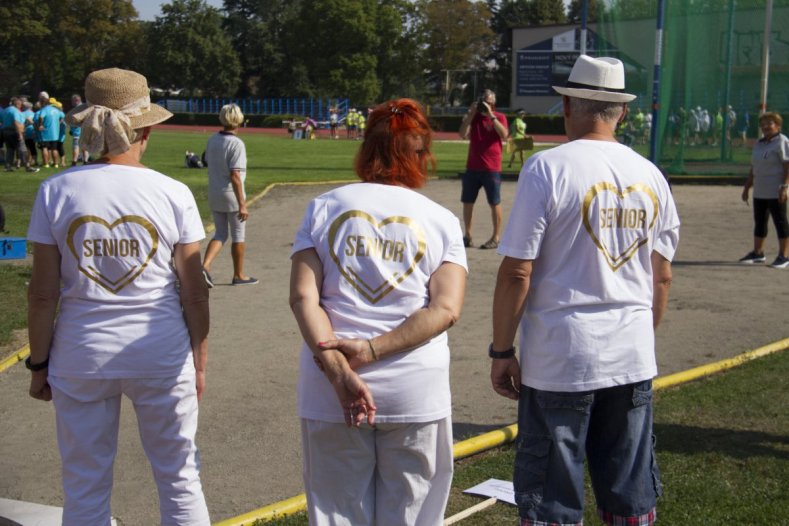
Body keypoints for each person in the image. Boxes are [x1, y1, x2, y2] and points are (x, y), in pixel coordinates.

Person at [489, 55, 680, 526]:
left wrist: (501, 349)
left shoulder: (547, 167)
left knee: (552, 496)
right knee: (629, 492)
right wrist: (638, 331)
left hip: (563, 356)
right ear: (623, 112)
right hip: (631, 353)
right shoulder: (651, 175)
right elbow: (662, 275)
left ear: (568, 104)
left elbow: (517, 270)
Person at [26, 67, 210, 525]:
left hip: (81, 354)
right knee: (180, 478)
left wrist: (40, 364)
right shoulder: (173, 192)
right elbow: (194, 294)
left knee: (85, 486)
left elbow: (43, 294)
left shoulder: (55, 190)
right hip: (161, 352)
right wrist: (199, 361)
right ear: (146, 127)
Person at [289, 98, 467, 526]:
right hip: (414, 391)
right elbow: (445, 309)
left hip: (330, 392)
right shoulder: (440, 219)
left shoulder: (325, 206)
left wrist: (339, 370)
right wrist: (372, 349)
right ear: (421, 153)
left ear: (367, 148)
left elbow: (303, 298)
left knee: (337, 513)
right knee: (411, 515)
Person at [201, 103, 258, 287]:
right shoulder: (236, 144)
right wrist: (242, 203)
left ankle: (205, 266)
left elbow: (206, 160)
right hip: (230, 194)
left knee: (220, 233)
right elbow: (235, 175)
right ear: (239, 120)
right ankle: (238, 274)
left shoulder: (213, 139)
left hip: (214, 192)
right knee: (238, 235)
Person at [458, 88, 508, 249]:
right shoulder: (474, 118)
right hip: (473, 166)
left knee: (494, 202)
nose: (485, 104)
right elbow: (462, 134)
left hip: (491, 167)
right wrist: (472, 113)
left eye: (488, 100)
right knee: (467, 202)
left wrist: (490, 115)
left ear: (494, 102)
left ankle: (496, 237)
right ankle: (468, 235)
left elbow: (504, 134)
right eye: (483, 101)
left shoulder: (499, 117)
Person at [739, 111, 789, 268]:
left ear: (778, 125)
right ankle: (758, 253)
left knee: (780, 221)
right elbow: (754, 167)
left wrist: (784, 186)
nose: (766, 126)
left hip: (776, 189)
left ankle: (784, 256)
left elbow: (787, 165)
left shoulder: (782, 141)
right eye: (763, 123)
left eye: (770, 123)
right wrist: (747, 187)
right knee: (760, 221)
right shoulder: (759, 144)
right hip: (760, 189)